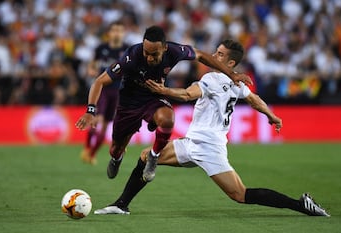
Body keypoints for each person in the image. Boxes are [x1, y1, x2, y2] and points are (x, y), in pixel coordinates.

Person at [93, 39, 330, 217]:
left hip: (209, 148)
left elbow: (187, 94)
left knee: (240, 195)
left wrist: (163, 91)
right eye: (215, 51)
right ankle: (121, 205)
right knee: (146, 156)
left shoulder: (212, 79)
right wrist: (272, 116)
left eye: (219, 54)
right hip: (191, 143)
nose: (213, 56)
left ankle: (301, 205)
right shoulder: (236, 83)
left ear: (230, 63)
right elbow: (254, 99)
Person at [75, 26, 252, 179]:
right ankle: (117, 157)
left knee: (168, 118)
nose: (149, 58)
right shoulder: (131, 57)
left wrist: (232, 74)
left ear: (165, 48)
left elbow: (201, 55)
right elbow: (99, 81)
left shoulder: (175, 51)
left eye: (154, 54)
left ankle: (153, 156)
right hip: (129, 104)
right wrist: (91, 111)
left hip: (154, 98)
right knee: (116, 148)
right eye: (146, 53)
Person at [80, 21, 128, 165]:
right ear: (109, 33)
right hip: (103, 90)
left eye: (119, 30)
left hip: (118, 92)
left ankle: (92, 154)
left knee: (106, 125)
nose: (117, 33)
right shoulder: (101, 48)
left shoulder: (127, 50)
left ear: (123, 33)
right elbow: (92, 64)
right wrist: (91, 70)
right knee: (97, 120)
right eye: (114, 30)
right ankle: (87, 148)